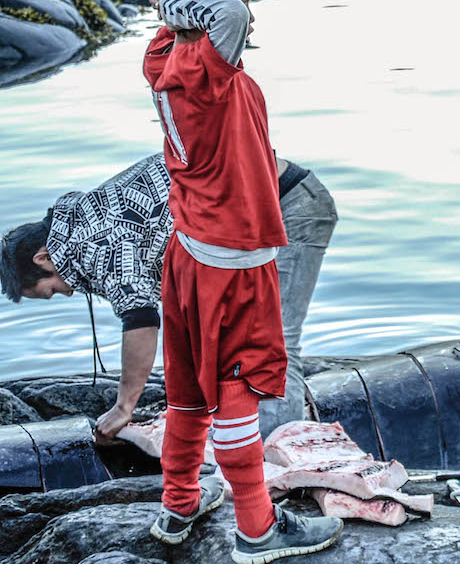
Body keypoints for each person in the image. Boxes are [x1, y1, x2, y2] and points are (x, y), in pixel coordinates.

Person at [140, 0, 341, 564]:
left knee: (186, 387)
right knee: (237, 389)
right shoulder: (205, 65)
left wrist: (169, 8)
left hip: (190, 249)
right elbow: (230, 19)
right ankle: (256, 528)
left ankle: (178, 506)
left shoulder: (164, 54)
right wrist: (195, 1)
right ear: (214, 1)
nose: (249, 18)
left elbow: (212, 21)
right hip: (232, 259)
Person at [1, 154, 337, 441]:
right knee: (233, 340)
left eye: (50, 291)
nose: (65, 292)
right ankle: (251, 437)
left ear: (43, 258)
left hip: (287, 206)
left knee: (274, 340)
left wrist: (123, 408)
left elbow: (142, 321)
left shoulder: (94, 241)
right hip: (246, 226)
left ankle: (283, 457)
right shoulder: (80, 222)